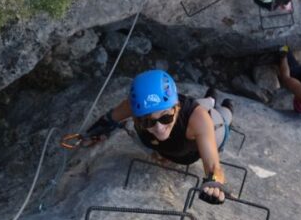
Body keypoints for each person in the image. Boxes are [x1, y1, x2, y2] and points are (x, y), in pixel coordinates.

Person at [83, 69, 234, 204]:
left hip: (207, 132)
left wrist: (213, 184)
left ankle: (226, 105)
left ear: (177, 108)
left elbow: (214, 167)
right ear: (137, 117)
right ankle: (211, 98)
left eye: (165, 118)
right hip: (180, 134)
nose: (159, 128)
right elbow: (109, 120)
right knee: (200, 105)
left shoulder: (198, 120)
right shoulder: (137, 105)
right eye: (147, 121)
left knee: (221, 118)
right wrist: (92, 133)